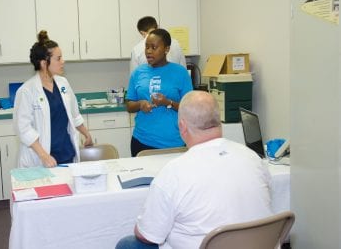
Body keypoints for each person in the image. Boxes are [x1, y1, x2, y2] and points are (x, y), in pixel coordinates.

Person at [116, 91, 272, 249]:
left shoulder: (173, 173)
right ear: (219, 122)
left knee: (127, 244)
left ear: (182, 126)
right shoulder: (253, 158)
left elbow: (146, 235)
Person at [13, 30, 93, 168]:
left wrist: (86, 134)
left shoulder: (63, 83)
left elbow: (74, 114)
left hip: (66, 155)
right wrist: (44, 156)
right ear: (44, 63)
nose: (63, 61)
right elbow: (24, 129)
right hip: (42, 160)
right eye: (58, 58)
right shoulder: (26, 91)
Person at [126, 28, 193, 157]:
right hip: (141, 141)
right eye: (146, 47)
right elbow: (129, 105)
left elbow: (189, 109)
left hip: (173, 143)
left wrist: (168, 102)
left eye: (154, 47)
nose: (149, 51)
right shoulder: (138, 73)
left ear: (166, 49)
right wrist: (140, 104)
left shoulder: (180, 73)